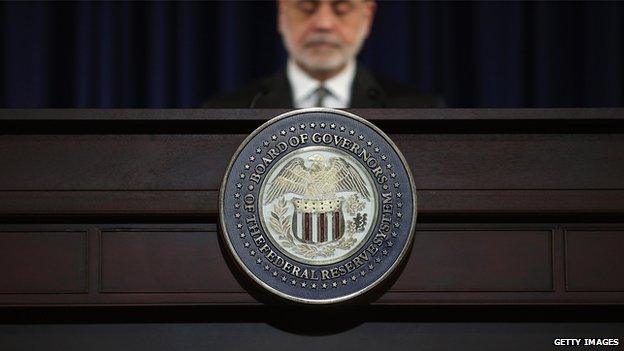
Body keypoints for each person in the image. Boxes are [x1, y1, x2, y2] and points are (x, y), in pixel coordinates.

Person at [204, 0, 443, 108]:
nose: (324, 23)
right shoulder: (229, 112)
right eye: (307, 8)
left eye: (342, 9)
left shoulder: (417, 111)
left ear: (367, 17)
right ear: (282, 13)